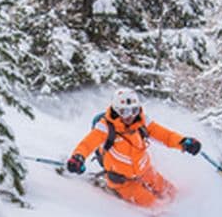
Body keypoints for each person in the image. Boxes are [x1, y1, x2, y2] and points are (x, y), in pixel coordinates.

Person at [66, 88, 201, 207]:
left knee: (172, 194)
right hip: (123, 182)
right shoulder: (106, 127)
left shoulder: (142, 122)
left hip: (146, 172)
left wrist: (183, 142)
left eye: (134, 110)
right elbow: (88, 144)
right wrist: (78, 158)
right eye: (124, 112)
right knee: (156, 206)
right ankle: (110, 187)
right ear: (117, 111)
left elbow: (165, 135)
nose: (130, 116)